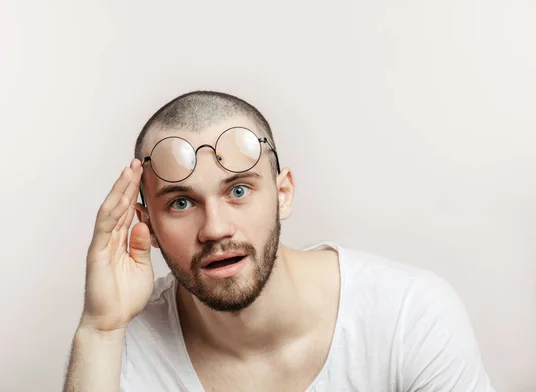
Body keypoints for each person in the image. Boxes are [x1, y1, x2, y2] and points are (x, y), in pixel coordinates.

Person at [63, 91, 496, 391]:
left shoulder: (408, 316)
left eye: (237, 191)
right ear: (148, 226)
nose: (215, 228)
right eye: (180, 203)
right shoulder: (123, 344)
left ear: (282, 194)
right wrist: (100, 330)